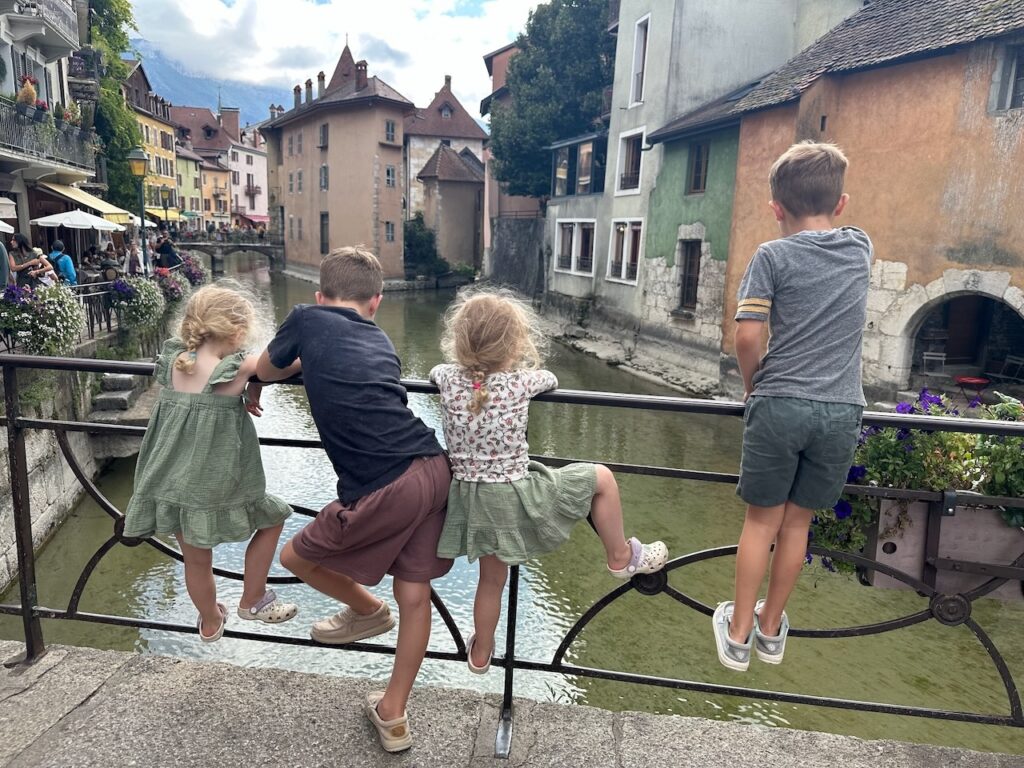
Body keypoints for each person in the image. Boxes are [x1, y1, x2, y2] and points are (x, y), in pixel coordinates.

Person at [256, 246, 451, 753]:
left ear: (320, 297)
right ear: (377, 302)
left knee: (295, 555)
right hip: (434, 467)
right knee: (416, 596)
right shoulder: (381, 341)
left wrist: (257, 379)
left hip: (386, 482)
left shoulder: (306, 317)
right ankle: (393, 714)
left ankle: (366, 610)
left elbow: (266, 368)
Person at [430, 290, 670, 675]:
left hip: (469, 500)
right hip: (514, 497)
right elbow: (550, 377)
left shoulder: (446, 379)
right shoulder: (521, 382)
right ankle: (621, 556)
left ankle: (480, 653)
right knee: (602, 478)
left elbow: (437, 372)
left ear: (459, 340)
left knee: (490, 581)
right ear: (513, 345)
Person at [712, 141, 872, 671]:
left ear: (776, 208)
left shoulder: (771, 256)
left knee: (761, 523)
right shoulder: (859, 247)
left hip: (781, 402)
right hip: (841, 408)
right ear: (843, 204)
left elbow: (748, 336)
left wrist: (754, 384)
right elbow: (837, 227)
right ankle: (771, 626)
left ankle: (737, 636)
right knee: (797, 524)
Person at [123, 284, 299, 642]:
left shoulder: (175, 358)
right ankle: (252, 598)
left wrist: (254, 384)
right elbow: (282, 364)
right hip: (216, 480)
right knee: (273, 519)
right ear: (236, 333)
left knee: (196, 561)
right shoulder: (238, 366)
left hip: (171, 481)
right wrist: (256, 382)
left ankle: (208, 621)